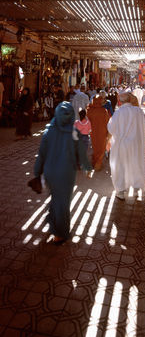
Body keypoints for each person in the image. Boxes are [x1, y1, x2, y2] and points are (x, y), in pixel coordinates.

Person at [33, 101, 91, 244]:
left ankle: (52, 222)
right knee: (63, 202)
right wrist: (87, 168)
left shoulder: (48, 132)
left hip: (50, 173)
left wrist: (37, 172)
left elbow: (41, 155)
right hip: (66, 174)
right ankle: (60, 233)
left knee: (55, 198)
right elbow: (81, 153)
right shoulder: (74, 133)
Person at [107, 91, 145, 200]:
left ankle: (120, 192)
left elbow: (110, 129)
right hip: (135, 144)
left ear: (120, 101)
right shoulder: (138, 111)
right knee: (136, 164)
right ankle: (136, 190)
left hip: (121, 145)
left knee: (120, 167)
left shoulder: (118, 113)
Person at [87, 94, 109, 171]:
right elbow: (107, 122)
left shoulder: (90, 110)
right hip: (102, 132)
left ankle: (94, 162)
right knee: (101, 148)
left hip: (93, 132)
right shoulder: (104, 111)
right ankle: (98, 164)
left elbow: (88, 120)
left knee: (95, 146)